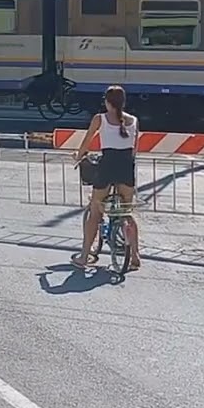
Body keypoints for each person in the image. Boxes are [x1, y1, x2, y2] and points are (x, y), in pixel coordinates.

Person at [72, 85, 141, 271]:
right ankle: (135, 256)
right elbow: (134, 148)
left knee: (96, 211)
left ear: (107, 102)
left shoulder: (99, 119)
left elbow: (87, 140)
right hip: (127, 168)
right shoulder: (134, 120)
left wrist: (78, 156)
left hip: (107, 167)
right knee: (127, 212)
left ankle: (84, 256)